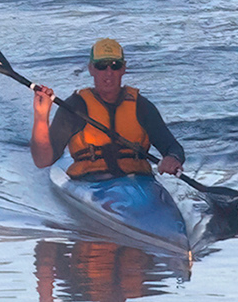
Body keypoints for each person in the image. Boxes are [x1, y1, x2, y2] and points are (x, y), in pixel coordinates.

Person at [29, 37, 186, 196]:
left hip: (139, 185)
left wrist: (172, 158)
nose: (109, 73)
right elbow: (43, 161)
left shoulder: (141, 106)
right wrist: (41, 116)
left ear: (123, 68)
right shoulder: (75, 106)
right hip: (91, 183)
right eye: (101, 66)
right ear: (91, 69)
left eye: (115, 66)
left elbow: (173, 147)